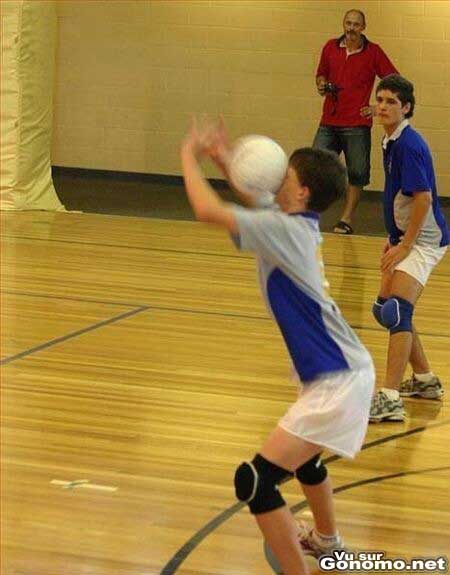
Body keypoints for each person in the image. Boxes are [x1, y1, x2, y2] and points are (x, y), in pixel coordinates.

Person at [181, 118, 375, 575]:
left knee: (254, 481)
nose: (276, 179)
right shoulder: (290, 221)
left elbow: (209, 211)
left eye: (286, 175)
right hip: (337, 374)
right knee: (305, 464)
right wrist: (225, 159)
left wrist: (187, 156)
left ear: (303, 192)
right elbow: (255, 194)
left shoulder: (284, 231)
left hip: (338, 381)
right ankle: (328, 541)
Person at [369, 74, 448, 423]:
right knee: (383, 309)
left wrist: (407, 244)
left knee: (397, 311)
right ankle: (426, 381)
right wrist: (393, 235)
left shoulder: (409, 144)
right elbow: (396, 197)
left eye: (391, 102)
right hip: (405, 235)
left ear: (406, 108)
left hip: (425, 240)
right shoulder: (390, 140)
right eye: (380, 99)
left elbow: (423, 198)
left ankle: (389, 398)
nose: (383, 106)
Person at [313, 9, 398, 235]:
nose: (351, 28)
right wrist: (321, 84)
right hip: (329, 120)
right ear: (343, 24)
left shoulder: (374, 52)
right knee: (313, 166)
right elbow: (321, 73)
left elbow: (394, 80)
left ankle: (346, 218)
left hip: (356, 124)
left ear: (363, 27)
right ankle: (309, 216)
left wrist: (377, 108)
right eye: (348, 23)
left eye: (356, 24)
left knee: (358, 172)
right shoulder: (330, 47)